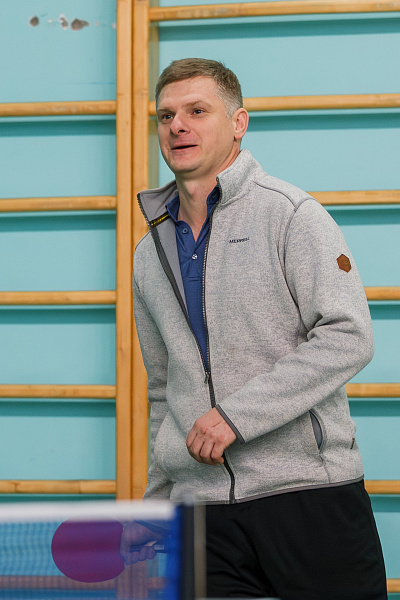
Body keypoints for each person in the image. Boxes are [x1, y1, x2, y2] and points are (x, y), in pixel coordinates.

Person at [132, 58, 387, 599]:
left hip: (308, 495)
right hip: (202, 511)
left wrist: (235, 417)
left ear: (238, 123)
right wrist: (158, 505)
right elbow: (163, 390)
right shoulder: (148, 253)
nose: (178, 126)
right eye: (166, 115)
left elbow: (349, 334)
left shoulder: (291, 214)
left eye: (197, 111)